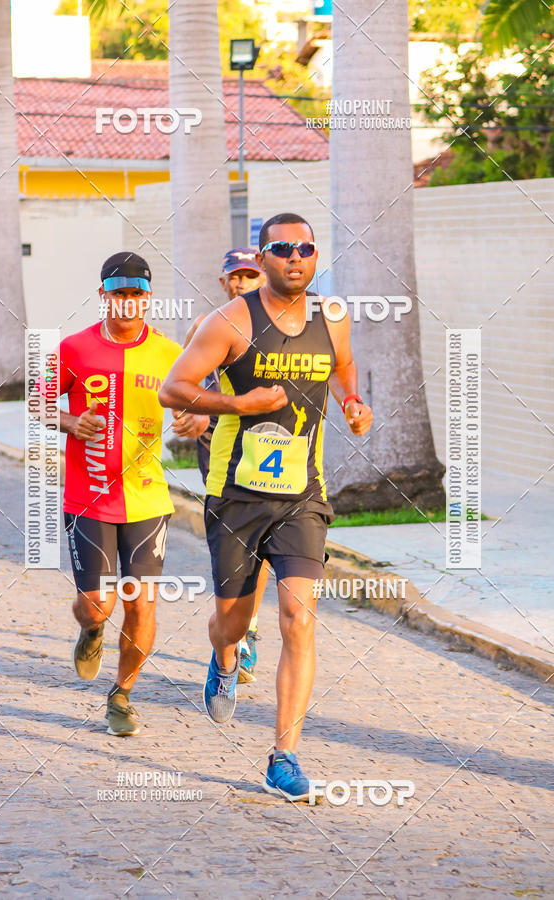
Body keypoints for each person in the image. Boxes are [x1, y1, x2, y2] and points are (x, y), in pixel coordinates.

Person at [159, 214, 373, 801]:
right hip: (237, 494)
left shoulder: (333, 317)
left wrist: (353, 402)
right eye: (282, 248)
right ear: (263, 258)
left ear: (315, 256)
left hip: (303, 495)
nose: (295, 257)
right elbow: (174, 389)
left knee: (299, 617)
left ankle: (284, 756)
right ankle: (224, 657)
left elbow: (344, 367)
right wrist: (241, 403)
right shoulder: (229, 321)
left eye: (305, 247)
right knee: (232, 621)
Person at [38, 252, 208, 736]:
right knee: (97, 605)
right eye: (119, 294)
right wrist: (70, 421)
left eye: (137, 294)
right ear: (103, 296)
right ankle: (91, 630)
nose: (128, 302)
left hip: (147, 499)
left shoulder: (171, 353)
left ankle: (121, 696)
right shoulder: (73, 348)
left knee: (140, 603)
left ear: (148, 298)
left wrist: (196, 419)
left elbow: (199, 406)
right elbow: (39, 402)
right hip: (88, 497)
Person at [183, 248, 268, 683]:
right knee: (234, 540)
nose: (241, 283)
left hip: (267, 443)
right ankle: (231, 630)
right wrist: (190, 415)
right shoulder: (207, 325)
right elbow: (180, 384)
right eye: (235, 276)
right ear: (223, 282)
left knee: (263, 542)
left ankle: (246, 631)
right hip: (217, 445)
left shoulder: (278, 328)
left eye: (249, 276)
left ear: (263, 278)